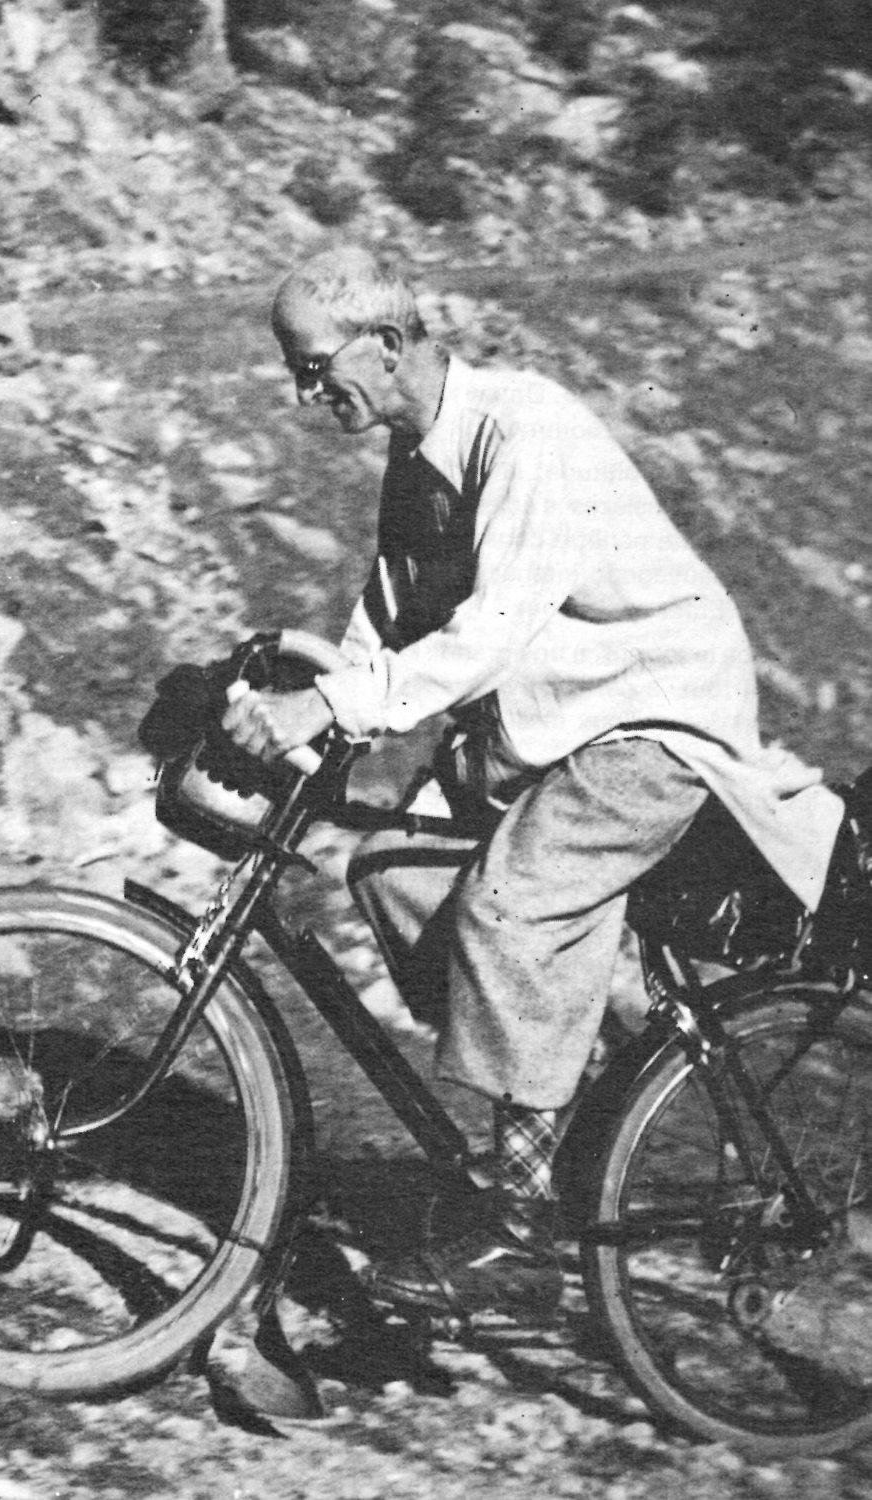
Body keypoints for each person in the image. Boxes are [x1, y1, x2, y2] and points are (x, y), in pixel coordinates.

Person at [221, 246, 845, 1325]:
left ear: (388, 343)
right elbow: (389, 621)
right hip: (558, 728)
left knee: (511, 904)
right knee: (395, 870)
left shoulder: (524, 431)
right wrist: (314, 697)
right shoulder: (417, 462)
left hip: (654, 717)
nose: (306, 392)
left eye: (315, 366)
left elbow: (489, 633)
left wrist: (332, 709)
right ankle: (581, 1113)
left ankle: (515, 1225)